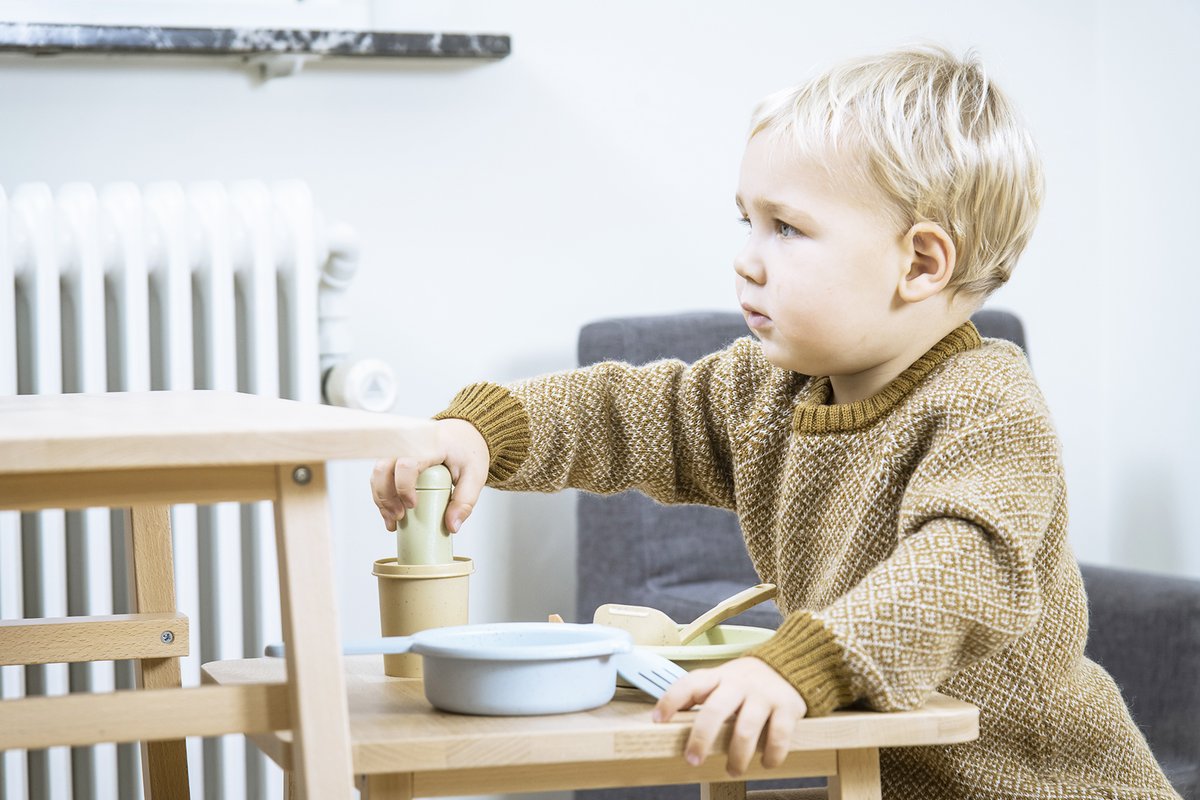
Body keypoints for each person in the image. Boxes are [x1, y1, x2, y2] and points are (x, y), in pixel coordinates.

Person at [371, 44, 1181, 799]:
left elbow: (954, 570)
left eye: (787, 228)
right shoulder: (771, 391)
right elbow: (629, 411)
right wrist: (484, 430)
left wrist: (803, 665)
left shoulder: (988, 404)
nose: (748, 257)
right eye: (746, 221)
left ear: (922, 262)